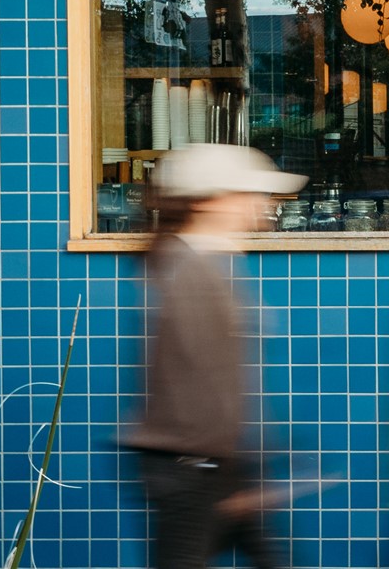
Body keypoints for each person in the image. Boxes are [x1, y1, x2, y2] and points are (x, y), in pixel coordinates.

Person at [122, 142, 305, 569]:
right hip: (197, 468)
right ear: (207, 202)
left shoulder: (197, 262)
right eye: (246, 194)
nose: (260, 204)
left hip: (206, 465)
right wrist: (233, 474)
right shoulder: (193, 271)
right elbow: (201, 383)